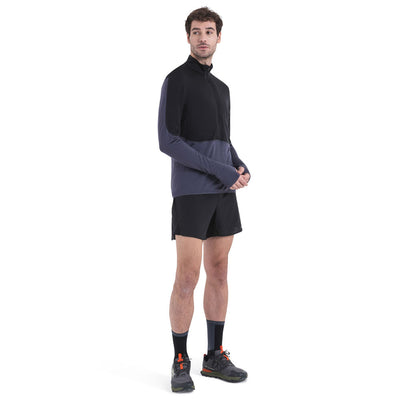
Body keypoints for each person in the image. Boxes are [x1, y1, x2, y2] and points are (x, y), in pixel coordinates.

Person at [158, 7, 251, 393]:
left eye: (209, 31)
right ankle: (181, 359)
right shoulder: (176, 80)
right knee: (187, 277)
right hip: (192, 192)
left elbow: (222, 140)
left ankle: (214, 356)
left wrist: (239, 164)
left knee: (220, 272)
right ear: (188, 37)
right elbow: (169, 141)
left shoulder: (222, 88)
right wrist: (220, 170)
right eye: (196, 32)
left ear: (218, 37)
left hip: (222, 192)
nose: (202, 38)